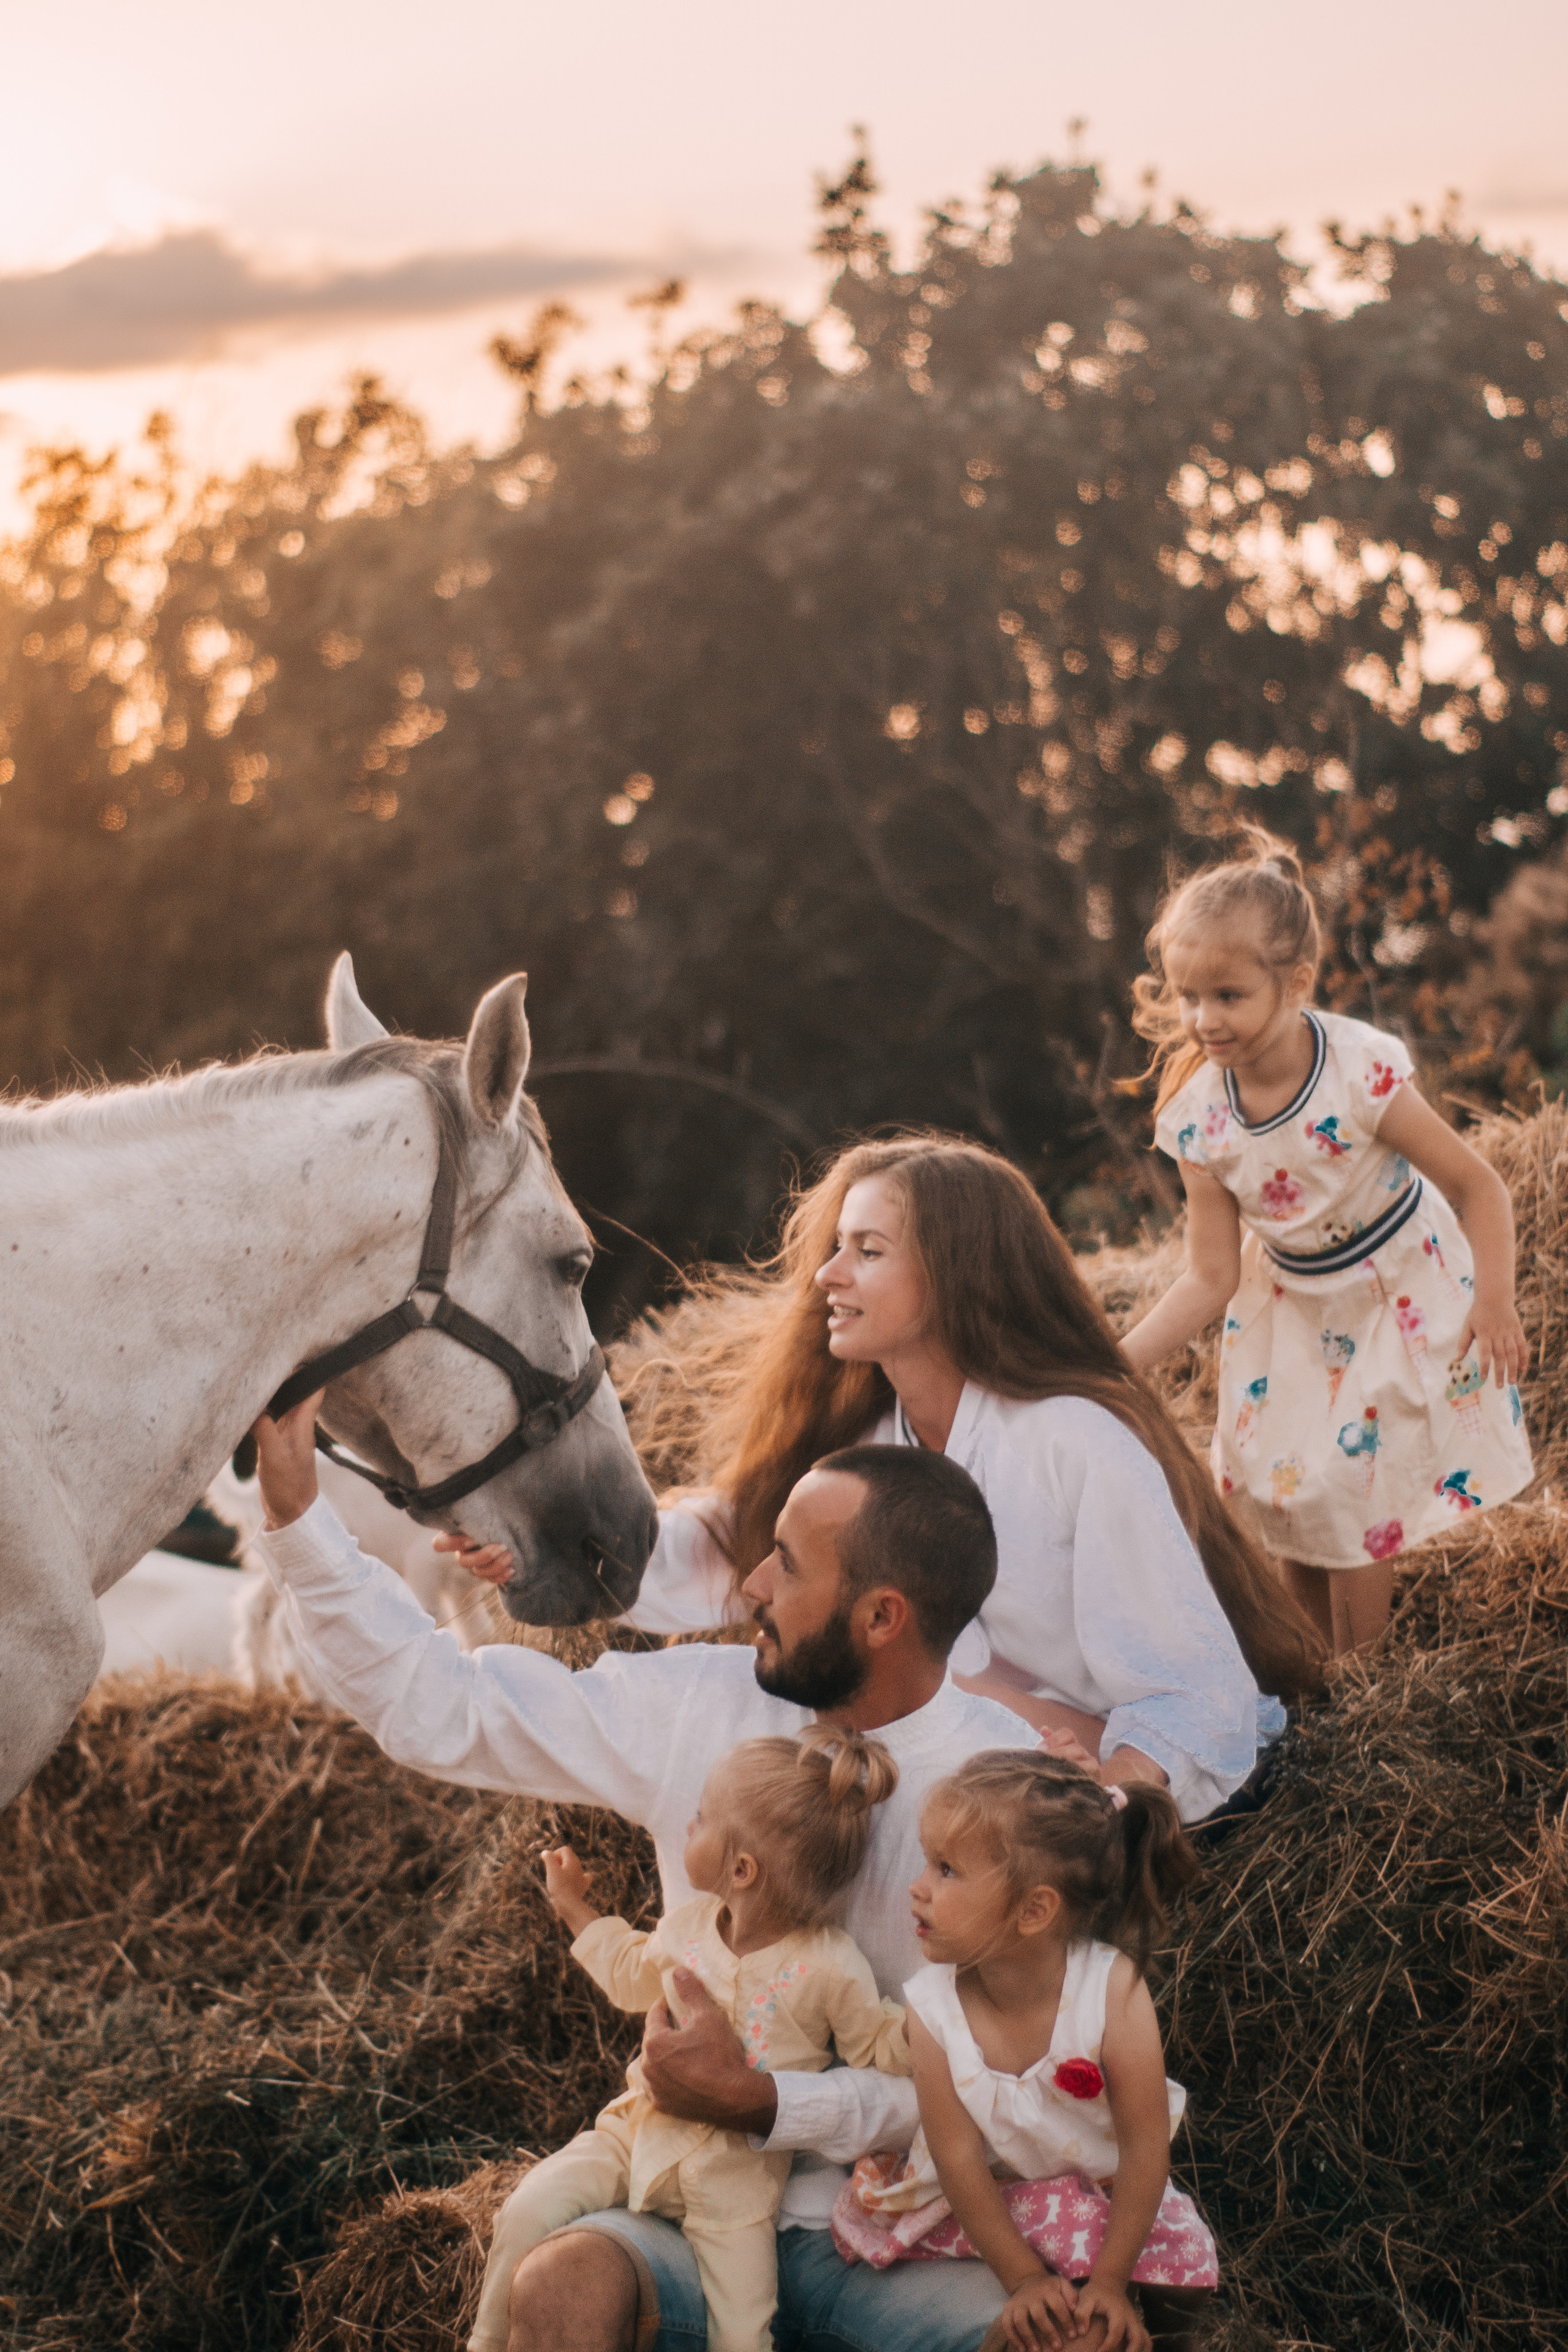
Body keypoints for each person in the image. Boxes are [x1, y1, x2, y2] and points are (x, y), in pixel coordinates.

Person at [251, 1404, 1037, 2352]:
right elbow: (443, 1709)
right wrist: (298, 1523)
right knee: (562, 2282)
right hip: (681, 2202)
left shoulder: (1011, 1795)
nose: (752, 1584)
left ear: (881, 1617)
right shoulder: (702, 1703)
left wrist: (771, 2105)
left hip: (904, 2240)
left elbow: (1010, 2092)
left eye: (789, 1565)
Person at [455, 1142, 1324, 1820]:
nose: (828, 1275)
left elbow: (1195, 1695)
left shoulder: (1075, 1442)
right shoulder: (872, 1442)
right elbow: (727, 1550)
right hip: (973, 1768)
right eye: (836, 1247)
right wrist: (543, 1542)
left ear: (955, 1276)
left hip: (1110, 1789)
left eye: (866, 1251)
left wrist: (1102, 1800)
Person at [1119, 828, 1532, 1654]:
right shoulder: (1199, 1119)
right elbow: (1207, 1276)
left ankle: (1365, 1683)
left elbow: (1476, 1186)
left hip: (1397, 1290)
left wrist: (1494, 1300)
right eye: (1189, 997)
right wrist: (1115, 1360)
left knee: (1351, 1484)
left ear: (1296, 982)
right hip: (1293, 1305)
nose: (1203, 1020)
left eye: (1228, 996)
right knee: (1285, 1490)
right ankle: (1314, 1676)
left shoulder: (1357, 1072)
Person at [471, 1727, 909, 2352]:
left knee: (744, 2334)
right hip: (636, 2137)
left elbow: (877, 2042)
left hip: (735, 2190)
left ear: (742, 1869)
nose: (688, 1826)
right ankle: (484, 2342)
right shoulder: (688, 1930)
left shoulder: (831, 1967)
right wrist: (573, 1907)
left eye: (701, 1819)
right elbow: (629, 1972)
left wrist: (935, 2032)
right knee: (526, 2209)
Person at [832, 1754, 1215, 2352]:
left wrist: (1111, 2282)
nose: (919, 1886)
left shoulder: (1111, 1989)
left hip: (1105, 2185)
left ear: (1034, 1911)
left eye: (947, 1870)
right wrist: (1025, 2281)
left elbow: (1145, 2146)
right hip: (993, 2200)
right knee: (1054, 2311)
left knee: (1186, 2274)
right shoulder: (932, 2009)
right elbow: (958, 2160)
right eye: (929, 1863)